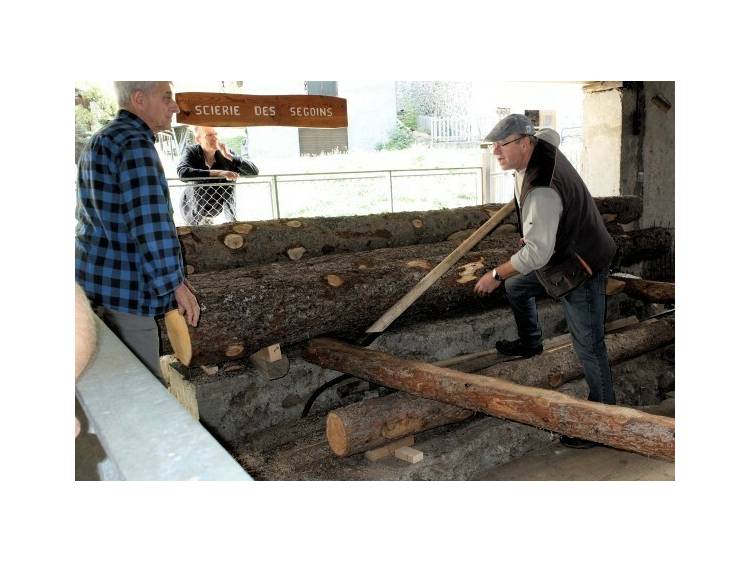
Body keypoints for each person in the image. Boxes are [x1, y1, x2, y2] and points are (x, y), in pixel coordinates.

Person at [473, 114, 617, 449]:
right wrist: (537, 233)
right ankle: (531, 342)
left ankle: (605, 423)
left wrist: (495, 274)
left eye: (502, 144)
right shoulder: (543, 145)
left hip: (582, 266)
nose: (495, 151)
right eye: (493, 145)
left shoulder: (541, 188)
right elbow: (552, 133)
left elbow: (537, 255)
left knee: (590, 347)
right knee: (518, 287)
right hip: (561, 254)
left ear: (525, 143)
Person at [75, 81, 200, 382]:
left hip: (94, 283)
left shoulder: (101, 139)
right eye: (167, 98)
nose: (174, 106)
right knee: (143, 387)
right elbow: (150, 223)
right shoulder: (135, 145)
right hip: (127, 294)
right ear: (139, 99)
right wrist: (176, 285)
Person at [177, 126, 259, 225]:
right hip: (194, 210)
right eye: (209, 135)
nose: (215, 138)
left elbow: (254, 172)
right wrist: (219, 173)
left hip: (222, 210)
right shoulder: (192, 152)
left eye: (216, 134)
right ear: (198, 139)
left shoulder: (226, 153)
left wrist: (230, 157)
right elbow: (182, 173)